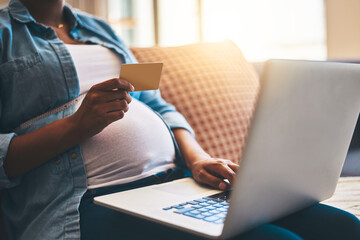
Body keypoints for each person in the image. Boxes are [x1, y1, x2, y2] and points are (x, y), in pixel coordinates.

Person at [0, 0, 359, 239]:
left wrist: (198, 158)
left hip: (173, 183)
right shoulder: (4, 33)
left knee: (343, 228)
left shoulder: (100, 30)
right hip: (87, 202)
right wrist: (76, 126)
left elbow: (156, 102)